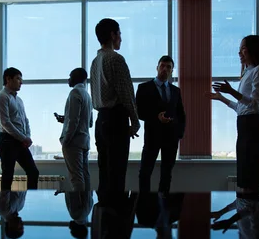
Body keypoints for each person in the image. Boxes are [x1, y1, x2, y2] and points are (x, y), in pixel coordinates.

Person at [209, 35, 259, 193]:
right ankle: (246, 213)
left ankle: (253, 211)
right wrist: (222, 98)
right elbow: (241, 108)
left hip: (253, 127)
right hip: (245, 126)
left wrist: (231, 91)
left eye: (243, 48)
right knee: (244, 176)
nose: (240, 53)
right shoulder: (247, 73)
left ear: (254, 50)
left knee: (250, 176)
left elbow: (255, 104)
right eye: (240, 49)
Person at [90, 18, 140, 194]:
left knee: (105, 172)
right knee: (117, 173)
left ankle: (104, 217)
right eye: (119, 34)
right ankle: (117, 218)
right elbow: (126, 93)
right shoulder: (116, 59)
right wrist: (135, 122)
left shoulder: (95, 61)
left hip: (101, 121)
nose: (121, 38)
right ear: (113, 35)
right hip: (115, 119)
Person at [136, 55, 186, 194]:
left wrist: (179, 134)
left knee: (167, 173)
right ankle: (144, 203)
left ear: (172, 71)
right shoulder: (144, 88)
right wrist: (155, 117)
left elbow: (181, 114)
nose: (165, 69)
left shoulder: (176, 90)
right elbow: (138, 111)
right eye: (162, 66)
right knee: (145, 171)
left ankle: (164, 205)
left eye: (168, 67)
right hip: (152, 136)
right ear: (157, 68)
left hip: (171, 138)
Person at [0, 67, 39, 191]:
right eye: (18, 78)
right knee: (8, 175)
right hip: (7, 140)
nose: (21, 82)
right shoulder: (1, 97)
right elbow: (5, 123)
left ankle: (31, 200)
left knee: (33, 172)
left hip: (20, 140)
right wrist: (24, 138)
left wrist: (27, 137)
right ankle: (5, 208)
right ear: (8, 79)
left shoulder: (19, 100)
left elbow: (25, 120)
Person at [56, 68, 93, 192]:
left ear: (76, 78)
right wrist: (65, 119)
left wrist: (66, 141)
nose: (68, 79)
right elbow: (90, 122)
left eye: (70, 76)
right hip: (85, 141)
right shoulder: (87, 95)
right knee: (84, 175)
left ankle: (78, 208)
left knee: (76, 177)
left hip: (74, 142)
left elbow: (74, 121)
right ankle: (86, 206)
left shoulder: (74, 93)